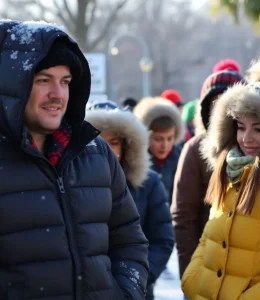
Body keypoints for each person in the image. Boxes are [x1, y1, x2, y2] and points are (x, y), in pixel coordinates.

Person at [0, 20, 148, 299]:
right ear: (12, 84)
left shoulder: (95, 152)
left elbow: (129, 238)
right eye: (43, 80)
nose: (58, 94)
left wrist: (126, 293)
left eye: (65, 82)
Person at [182, 55, 260, 299]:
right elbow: (209, 241)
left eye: (259, 128)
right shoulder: (231, 172)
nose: (246, 138)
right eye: (240, 126)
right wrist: (192, 284)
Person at [85, 100, 174, 299]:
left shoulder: (148, 183)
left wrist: (136, 279)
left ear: (126, 146)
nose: (106, 149)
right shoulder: (72, 183)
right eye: (99, 139)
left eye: (114, 142)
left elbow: (162, 239)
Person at [171, 68, 243, 280]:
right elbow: (183, 216)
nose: (222, 112)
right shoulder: (196, 149)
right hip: (207, 267)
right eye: (215, 105)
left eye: (229, 104)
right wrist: (192, 272)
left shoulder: (256, 148)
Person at [134, 97, 185, 205]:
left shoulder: (181, 157)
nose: (164, 145)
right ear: (146, 136)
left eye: (170, 138)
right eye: (158, 139)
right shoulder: (136, 160)